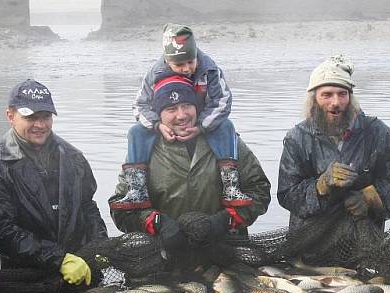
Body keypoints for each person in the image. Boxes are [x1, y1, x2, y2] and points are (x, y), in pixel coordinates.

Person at [109, 75, 270, 256]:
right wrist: (156, 222)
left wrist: (224, 220)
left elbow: (260, 192)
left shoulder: (228, 143)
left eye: (186, 105)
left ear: (196, 107)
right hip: (164, 258)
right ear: (158, 114)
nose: (181, 115)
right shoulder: (141, 152)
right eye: (171, 109)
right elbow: (121, 211)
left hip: (224, 251)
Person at [0, 79, 107, 287]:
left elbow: (88, 207)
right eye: (31, 117)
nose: (40, 125)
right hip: (27, 278)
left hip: (80, 270)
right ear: (10, 116)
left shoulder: (74, 157)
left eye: (45, 116)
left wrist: (100, 245)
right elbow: (0, 230)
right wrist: (58, 259)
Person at [110, 24, 251, 212]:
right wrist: (158, 125)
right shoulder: (154, 73)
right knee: (136, 131)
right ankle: (137, 190)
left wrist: (201, 126)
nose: (186, 69)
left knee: (226, 126)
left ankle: (231, 187)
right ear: (167, 60)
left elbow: (223, 101)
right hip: (163, 126)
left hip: (204, 119)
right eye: (179, 65)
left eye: (191, 62)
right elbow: (139, 105)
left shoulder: (209, 68)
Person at [277, 55, 390, 233]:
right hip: (310, 245)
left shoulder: (377, 132)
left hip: (363, 239)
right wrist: (321, 185)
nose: (336, 102)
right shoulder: (297, 138)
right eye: (327, 95)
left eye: (342, 94)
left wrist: (369, 198)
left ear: (350, 97)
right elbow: (286, 195)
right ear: (314, 99)